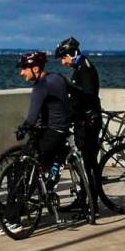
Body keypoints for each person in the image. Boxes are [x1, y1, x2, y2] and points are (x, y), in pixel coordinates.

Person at [18, 49, 100, 220]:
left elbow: (32, 117)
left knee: (27, 163)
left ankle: (16, 211)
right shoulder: (59, 78)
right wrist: (85, 111)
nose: (21, 73)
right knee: (69, 160)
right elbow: (80, 93)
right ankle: (88, 204)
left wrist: (23, 128)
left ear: (35, 68)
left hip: (52, 133)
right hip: (65, 129)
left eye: (24, 69)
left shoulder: (41, 86)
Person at [57, 37, 102, 205]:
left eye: (64, 58)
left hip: (88, 121)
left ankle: (91, 203)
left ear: (73, 53)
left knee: (89, 163)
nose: (63, 62)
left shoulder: (85, 69)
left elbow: (87, 96)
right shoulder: (81, 67)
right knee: (85, 163)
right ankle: (84, 199)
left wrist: (71, 111)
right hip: (84, 120)